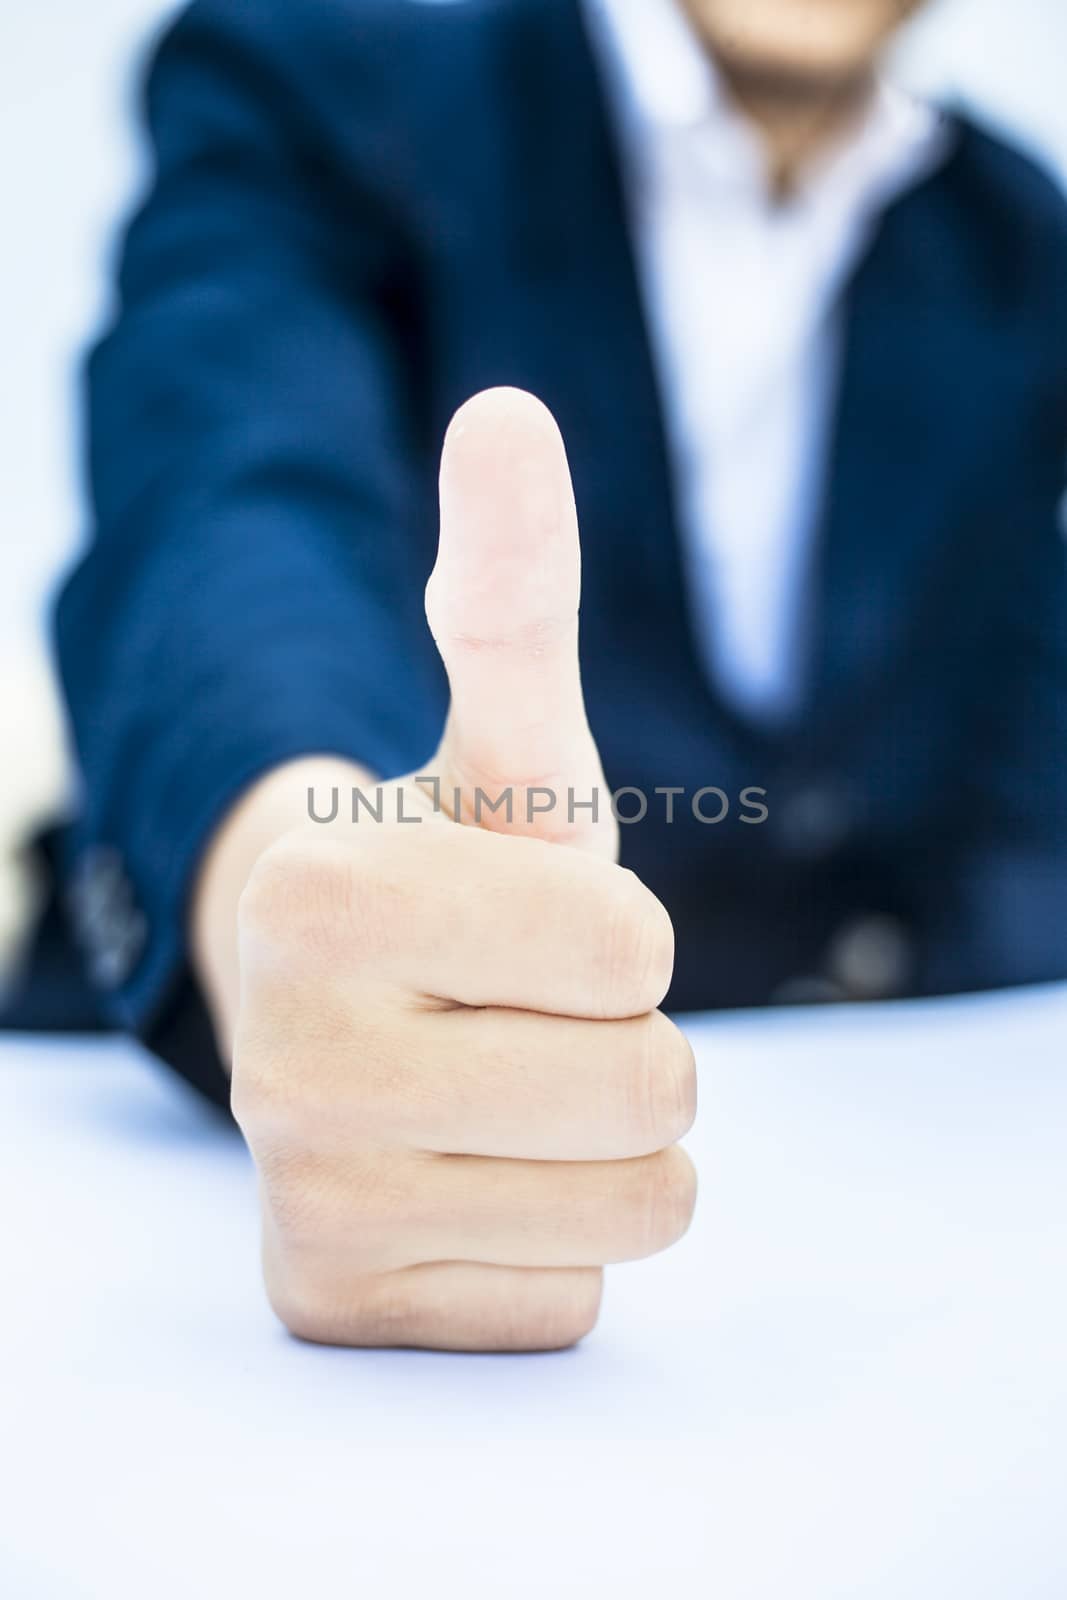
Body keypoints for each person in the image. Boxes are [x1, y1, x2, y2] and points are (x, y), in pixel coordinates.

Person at [54, 0, 1067, 1349]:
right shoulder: (330, 71)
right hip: (155, 1214)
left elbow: (1008, 738)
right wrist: (299, 885)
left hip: (839, 1247)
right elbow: (234, 508)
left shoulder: (1011, 241)